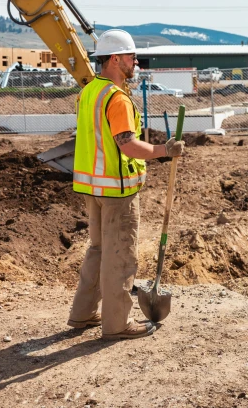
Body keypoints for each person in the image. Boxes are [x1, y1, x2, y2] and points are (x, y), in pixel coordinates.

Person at [67, 29, 185, 340]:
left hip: (92, 187)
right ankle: (117, 324)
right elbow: (127, 145)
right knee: (119, 256)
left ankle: (83, 314)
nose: (136, 62)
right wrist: (164, 150)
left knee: (97, 250)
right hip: (117, 191)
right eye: (132, 57)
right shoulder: (116, 98)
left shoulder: (89, 91)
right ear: (116, 59)